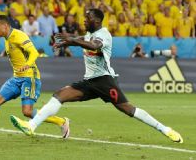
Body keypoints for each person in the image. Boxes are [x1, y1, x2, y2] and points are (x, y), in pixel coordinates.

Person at [10, 9, 183, 144]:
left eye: (87, 18)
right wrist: (64, 42)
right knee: (59, 95)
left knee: (129, 110)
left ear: (97, 21)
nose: (84, 20)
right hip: (90, 81)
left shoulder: (103, 35)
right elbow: (81, 39)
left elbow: (93, 46)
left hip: (105, 81)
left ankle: (165, 129)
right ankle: (31, 126)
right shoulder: (87, 34)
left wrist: (72, 39)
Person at [0, 15, 69, 142]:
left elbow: (34, 53)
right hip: (16, 78)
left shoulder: (18, 36)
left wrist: (26, 66)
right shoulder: (7, 39)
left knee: (27, 112)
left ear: (5, 26)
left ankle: (61, 121)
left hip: (29, 77)